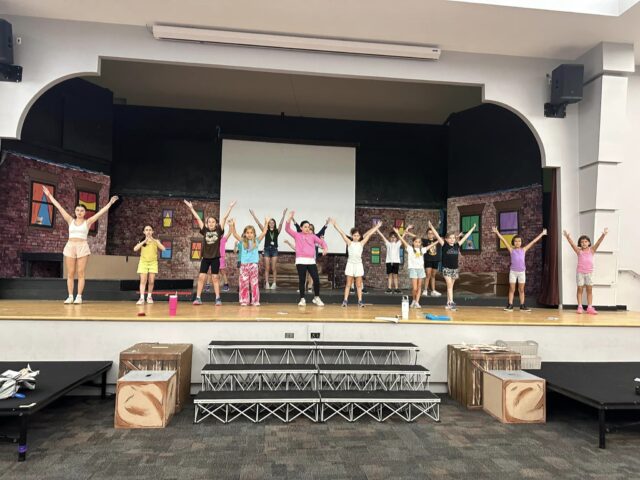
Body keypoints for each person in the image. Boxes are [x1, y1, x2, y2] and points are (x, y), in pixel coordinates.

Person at [42, 186, 118, 304]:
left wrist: (110, 203)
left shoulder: (88, 222)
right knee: (70, 273)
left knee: (81, 272)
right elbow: (59, 207)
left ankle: (79, 296)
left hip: (82, 246)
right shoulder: (70, 220)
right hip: (70, 246)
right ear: (75, 212)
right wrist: (49, 195)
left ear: (85, 213)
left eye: (82, 211)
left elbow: (100, 213)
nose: (79, 212)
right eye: (77, 210)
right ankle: (70, 296)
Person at [184, 199, 236, 306]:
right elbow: (198, 218)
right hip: (206, 258)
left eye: (213, 222)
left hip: (215, 258)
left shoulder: (218, 231)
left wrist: (230, 207)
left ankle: (218, 298)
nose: (211, 223)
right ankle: (198, 298)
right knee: (202, 277)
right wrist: (191, 208)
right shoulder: (205, 230)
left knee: (215, 277)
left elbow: (224, 218)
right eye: (209, 222)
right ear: (207, 224)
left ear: (216, 224)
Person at [492, 226, 547, 312]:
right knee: (512, 289)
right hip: (513, 272)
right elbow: (503, 240)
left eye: (519, 241)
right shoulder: (511, 250)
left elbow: (533, 241)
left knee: (521, 289)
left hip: (522, 272)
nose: (517, 242)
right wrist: (497, 232)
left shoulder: (524, 249)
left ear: (521, 242)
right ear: (513, 242)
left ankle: (522, 305)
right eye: (516, 241)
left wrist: (542, 234)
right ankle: (510, 305)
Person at [331, 219, 381, 307]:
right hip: (350, 264)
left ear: (359, 236)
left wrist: (376, 227)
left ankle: (360, 301)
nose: (356, 237)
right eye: (354, 235)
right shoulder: (349, 243)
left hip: (358, 265)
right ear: (352, 236)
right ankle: (345, 301)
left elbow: (369, 234)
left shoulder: (361, 243)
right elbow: (342, 233)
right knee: (348, 284)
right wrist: (335, 225)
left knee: (358, 285)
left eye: (358, 236)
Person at [428, 220, 477, 311]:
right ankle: (451, 303)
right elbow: (438, 236)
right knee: (450, 286)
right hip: (446, 269)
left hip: (455, 269)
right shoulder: (444, 245)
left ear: (455, 239)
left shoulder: (457, 245)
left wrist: (472, 229)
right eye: (450, 238)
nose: (452, 239)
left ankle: (448, 303)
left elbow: (465, 237)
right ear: (446, 239)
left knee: (450, 287)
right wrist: (431, 227)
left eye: (453, 238)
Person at [285, 210, 328, 306]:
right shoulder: (297, 235)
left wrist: (325, 248)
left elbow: (322, 242)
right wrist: (289, 218)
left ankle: (316, 298)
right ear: (301, 228)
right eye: (305, 227)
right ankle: (302, 299)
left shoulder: (313, 236)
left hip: (311, 261)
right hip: (301, 261)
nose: (307, 228)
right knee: (302, 280)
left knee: (316, 279)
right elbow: (287, 229)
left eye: (308, 227)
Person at [563, 228, 608, 314]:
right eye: (582, 242)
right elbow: (572, 244)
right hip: (580, 272)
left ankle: (589, 307)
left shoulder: (592, 250)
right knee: (580, 289)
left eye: (586, 241)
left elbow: (598, 242)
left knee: (589, 290)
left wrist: (603, 235)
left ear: (589, 243)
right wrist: (568, 237)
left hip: (589, 273)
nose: (584, 243)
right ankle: (580, 306)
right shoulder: (578, 251)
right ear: (580, 243)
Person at [395, 226, 438, 308]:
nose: (417, 243)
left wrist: (437, 241)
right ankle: (414, 300)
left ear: (421, 243)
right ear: (413, 242)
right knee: (414, 288)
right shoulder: (410, 249)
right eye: (416, 242)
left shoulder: (422, 250)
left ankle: (417, 302)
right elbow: (403, 241)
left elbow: (431, 245)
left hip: (421, 270)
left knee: (419, 287)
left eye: (419, 242)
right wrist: (398, 233)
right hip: (413, 269)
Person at [229, 218, 269, 306]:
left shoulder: (257, 241)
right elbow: (234, 234)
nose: (249, 234)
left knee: (254, 284)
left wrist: (266, 222)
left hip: (253, 265)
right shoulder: (242, 241)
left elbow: (264, 232)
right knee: (244, 284)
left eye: (251, 233)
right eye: (247, 233)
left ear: (254, 234)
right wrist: (233, 225)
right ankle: (244, 300)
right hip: (244, 265)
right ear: (245, 234)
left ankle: (255, 301)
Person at [250, 208, 287, 290]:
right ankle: (267, 283)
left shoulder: (276, 231)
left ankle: (274, 283)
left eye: (272, 222)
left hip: (274, 250)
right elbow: (259, 223)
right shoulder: (265, 231)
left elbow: (281, 224)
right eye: (269, 223)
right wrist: (253, 215)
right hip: (266, 249)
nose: (271, 224)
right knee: (267, 268)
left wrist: (283, 215)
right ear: (268, 224)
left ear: (274, 224)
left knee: (273, 268)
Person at [293, 216, 329, 292]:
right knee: (303, 275)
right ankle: (302, 287)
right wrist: (293, 220)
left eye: (310, 229)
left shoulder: (314, 237)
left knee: (312, 275)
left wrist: (326, 224)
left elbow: (322, 234)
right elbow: (298, 228)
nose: (308, 230)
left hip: (312, 259)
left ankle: (310, 287)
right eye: (306, 228)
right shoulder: (302, 235)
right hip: (303, 259)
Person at [133, 225, 166, 305]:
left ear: (152, 232)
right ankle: (141, 298)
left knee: (151, 281)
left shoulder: (155, 241)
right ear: (144, 232)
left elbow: (163, 249)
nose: (148, 231)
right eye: (146, 230)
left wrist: (156, 241)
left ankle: (149, 296)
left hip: (153, 263)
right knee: (143, 280)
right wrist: (144, 241)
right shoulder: (141, 241)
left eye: (150, 230)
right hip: (143, 262)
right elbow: (135, 249)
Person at [377, 229, 405, 294]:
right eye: (391, 237)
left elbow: (403, 236)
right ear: (389, 238)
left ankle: (396, 288)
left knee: (395, 275)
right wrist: (378, 230)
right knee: (389, 275)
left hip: (396, 262)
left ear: (396, 238)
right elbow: (382, 236)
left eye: (394, 237)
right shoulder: (388, 244)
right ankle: (389, 288)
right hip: (389, 262)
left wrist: (406, 229)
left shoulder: (398, 244)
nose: (393, 238)